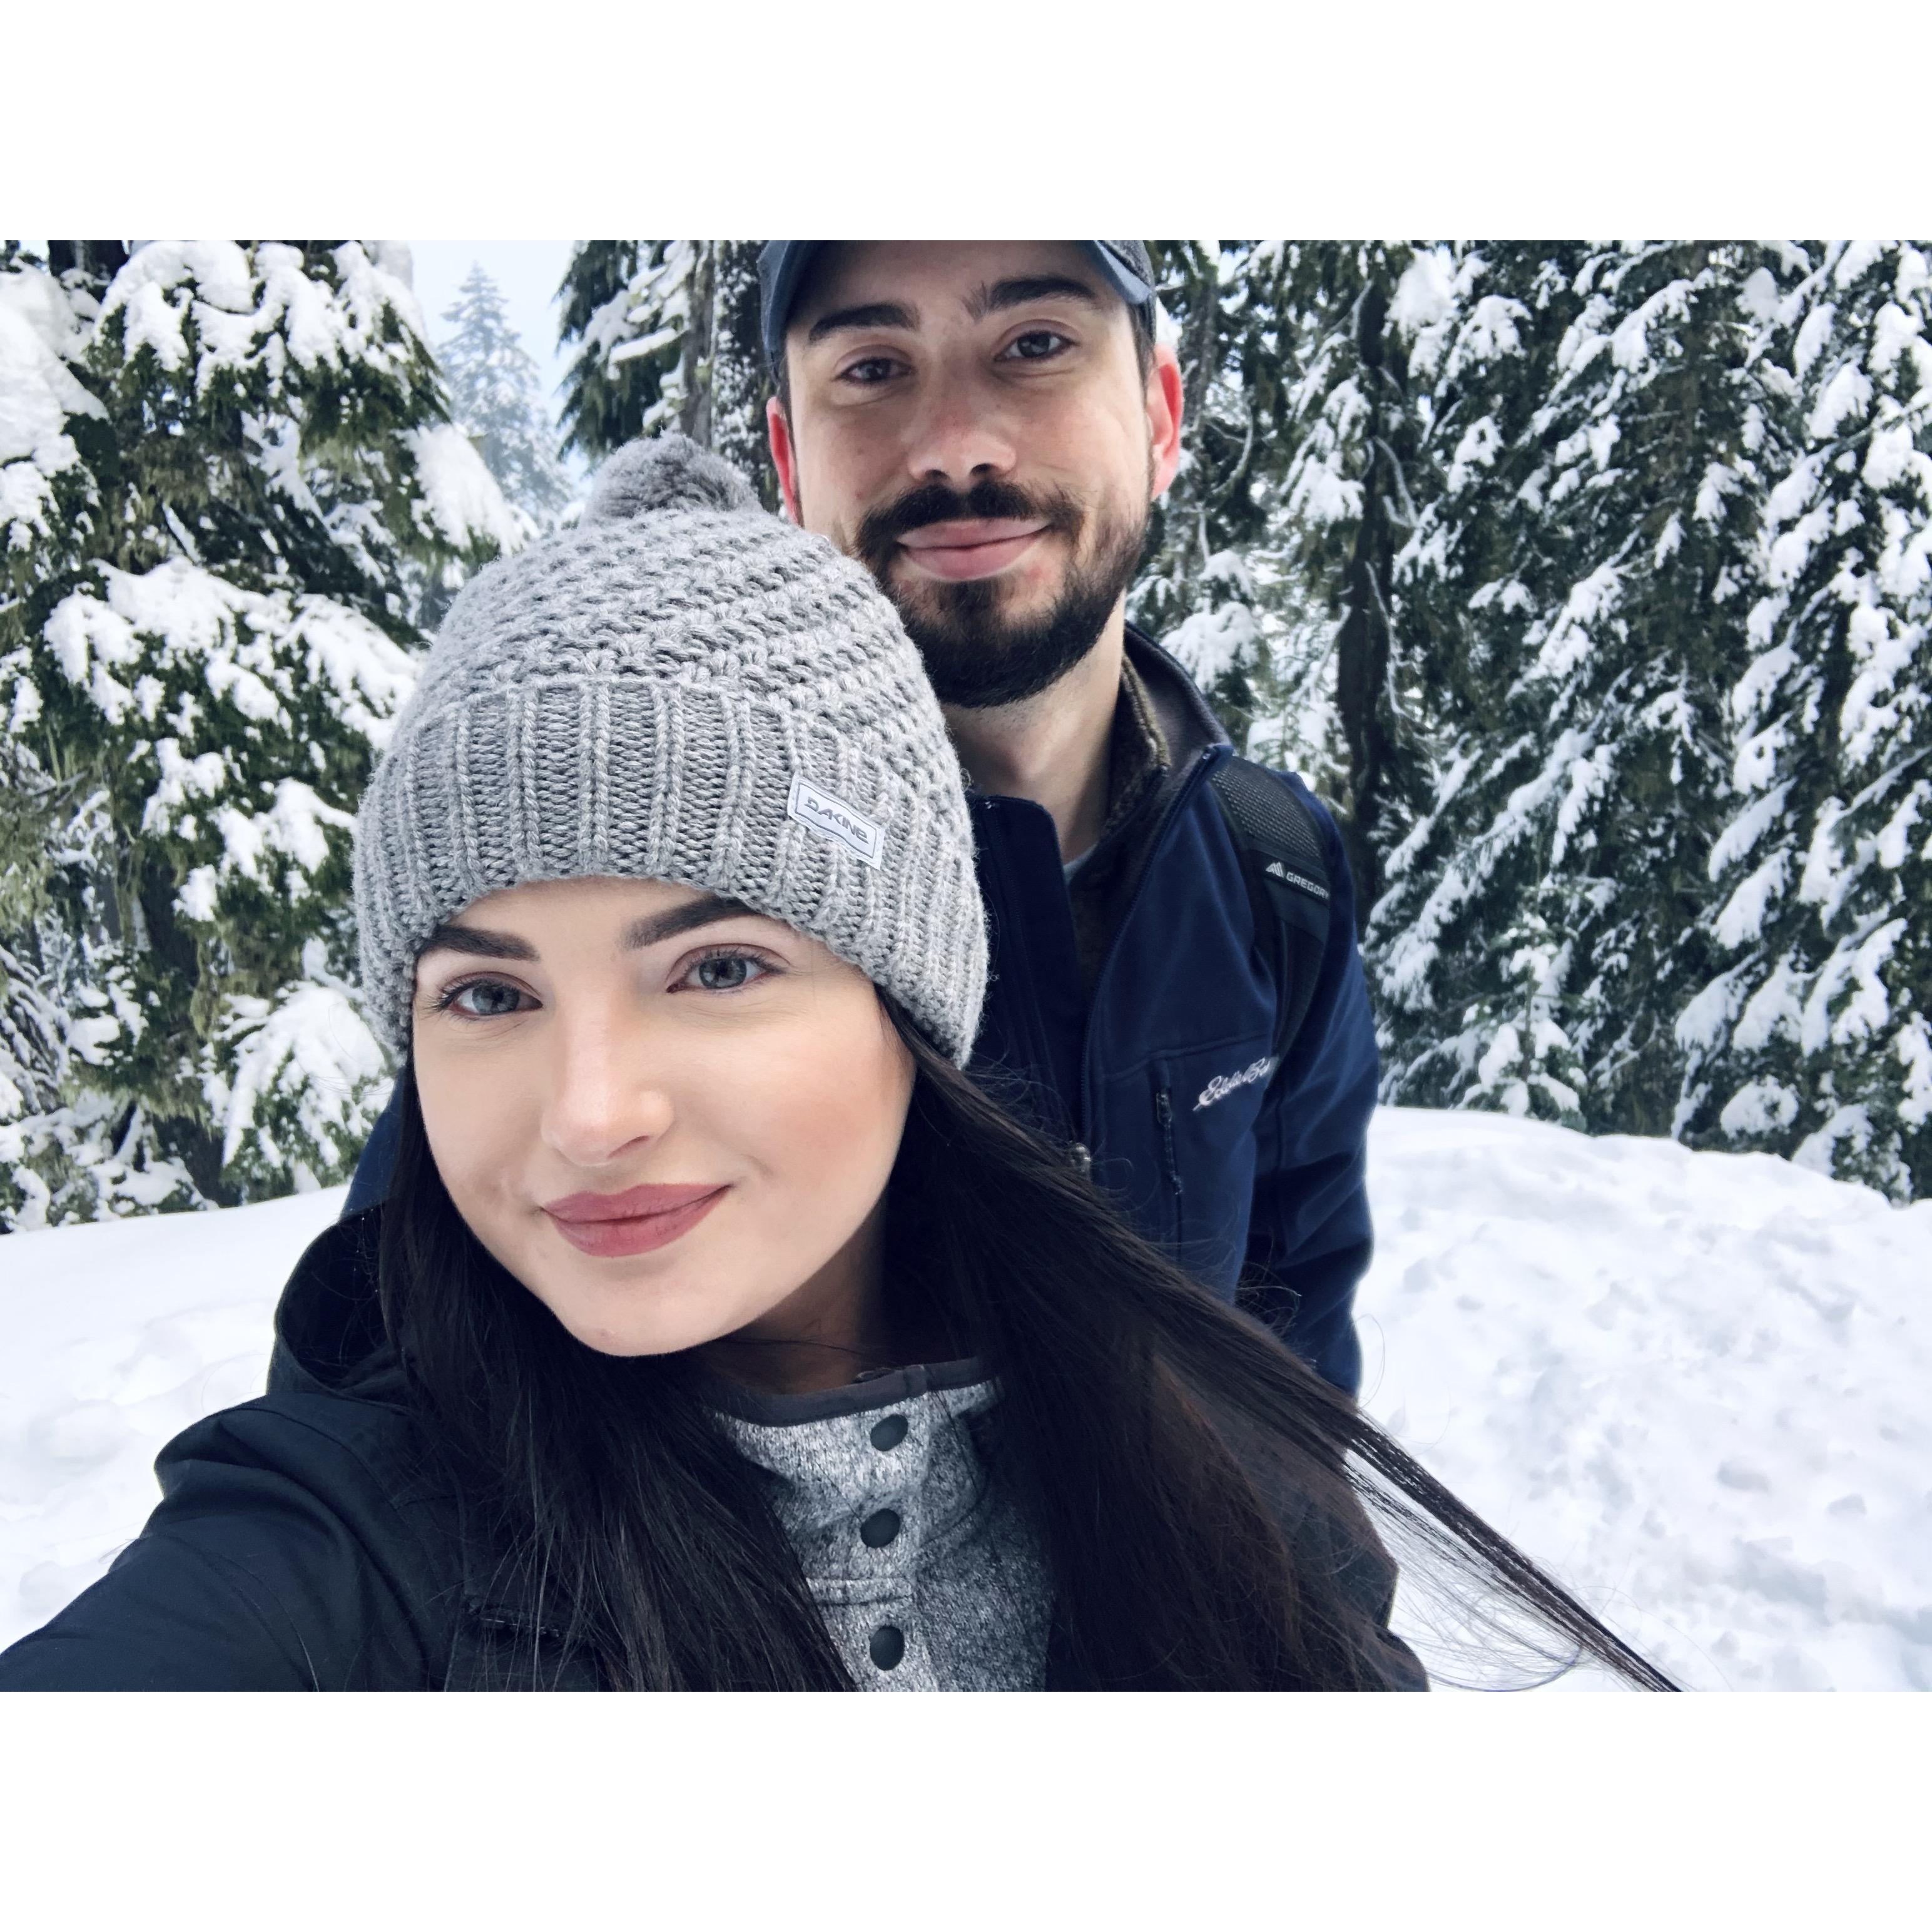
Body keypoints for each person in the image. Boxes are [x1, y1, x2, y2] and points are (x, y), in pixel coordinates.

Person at [0, 439, 1667, 1692]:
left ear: (909, 1009)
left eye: (719, 967)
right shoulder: (345, 1539)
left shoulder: (1208, 1466)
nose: (589, 1114)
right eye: (488, 998)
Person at [345, 240, 1380, 1396]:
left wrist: (1303, 1569)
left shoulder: (1270, 871)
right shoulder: (637, 865)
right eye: (872, 368)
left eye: (1035, 346)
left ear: (1159, 415)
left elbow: (1297, 1318)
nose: (955, 444)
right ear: (791, 458)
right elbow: (386, 1398)